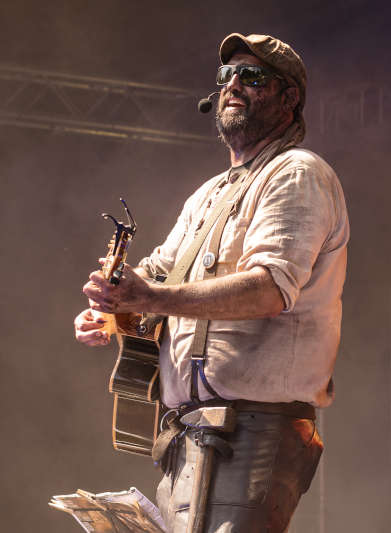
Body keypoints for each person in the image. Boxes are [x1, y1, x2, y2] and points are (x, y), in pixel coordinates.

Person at [73, 33, 349, 532]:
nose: (234, 85)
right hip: (187, 437)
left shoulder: (296, 172)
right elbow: (154, 278)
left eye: (253, 76)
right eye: (226, 76)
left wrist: (149, 294)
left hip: (253, 431)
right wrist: (111, 312)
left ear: (289, 99)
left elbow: (269, 289)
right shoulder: (207, 196)